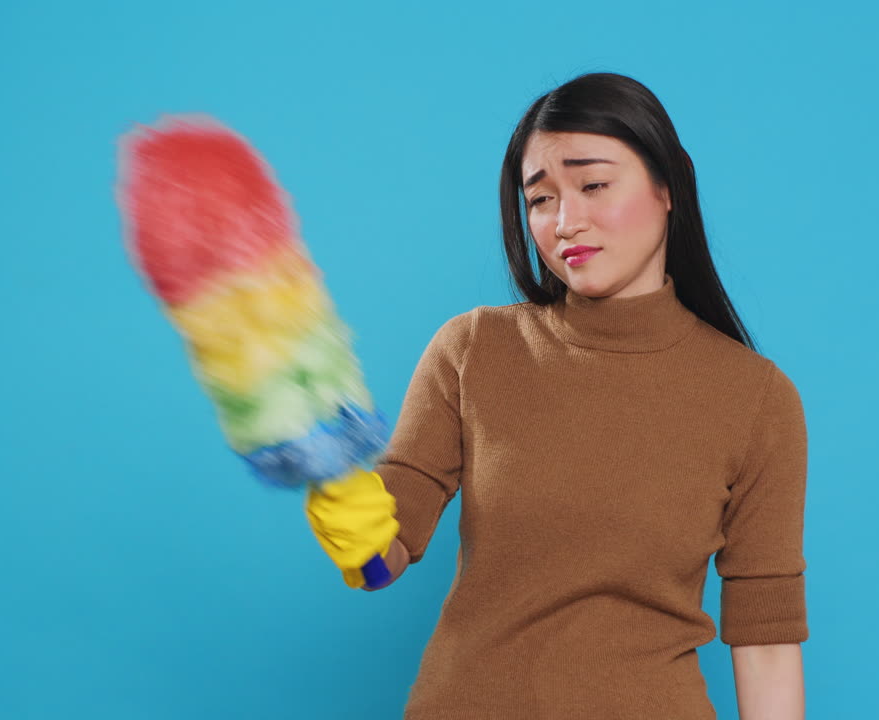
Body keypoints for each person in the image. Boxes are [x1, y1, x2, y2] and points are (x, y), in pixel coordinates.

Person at [305, 72, 809, 719]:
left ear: (669, 185)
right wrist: (356, 527)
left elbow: (766, 641)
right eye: (540, 199)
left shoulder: (756, 399)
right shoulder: (474, 349)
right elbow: (387, 556)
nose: (566, 221)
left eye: (594, 185)